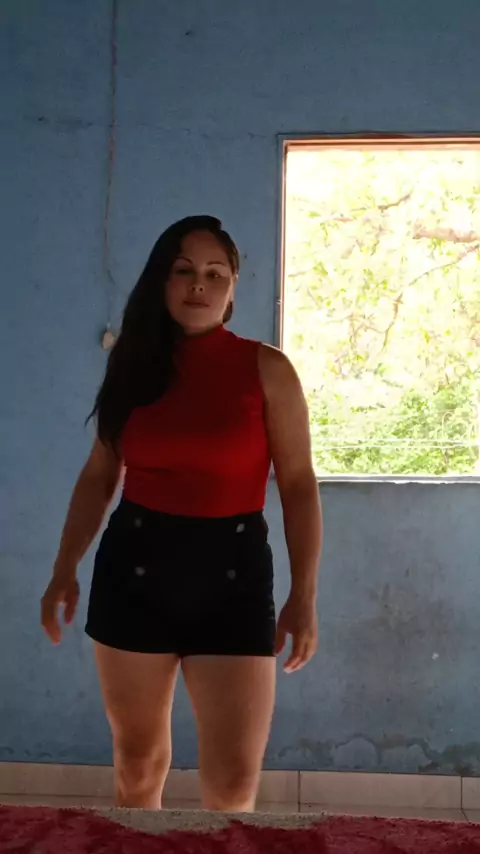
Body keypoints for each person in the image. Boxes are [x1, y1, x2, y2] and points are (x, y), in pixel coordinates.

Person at [41, 215, 322, 813]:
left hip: (234, 579)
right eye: (184, 270)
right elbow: (100, 474)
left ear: (233, 288)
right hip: (134, 570)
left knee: (232, 783)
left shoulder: (267, 369)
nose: (199, 284)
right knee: (138, 765)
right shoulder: (132, 367)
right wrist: (64, 567)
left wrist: (304, 594)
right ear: (162, 281)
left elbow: (298, 486)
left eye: (215, 274)